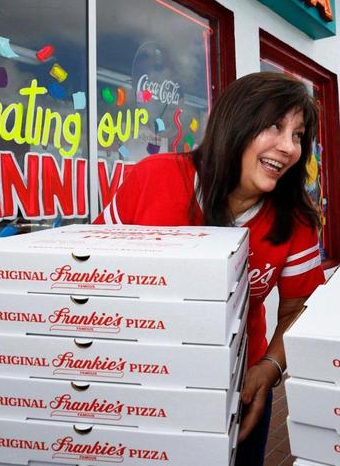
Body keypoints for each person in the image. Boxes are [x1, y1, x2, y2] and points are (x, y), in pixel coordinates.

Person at [96, 72, 324, 465]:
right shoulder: (156, 177)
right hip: (138, 382)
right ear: (235, 121)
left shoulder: (297, 218)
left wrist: (267, 372)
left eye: (298, 135)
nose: (288, 147)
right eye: (274, 126)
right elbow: (92, 275)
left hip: (239, 389)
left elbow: (300, 309)